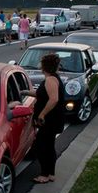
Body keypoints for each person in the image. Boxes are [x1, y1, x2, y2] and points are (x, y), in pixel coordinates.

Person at [21, 53, 65, 183]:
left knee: (41, 146)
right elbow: (42, 94)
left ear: (44, 66)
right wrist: (25, 92)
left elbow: (54, 99)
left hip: (49, 120)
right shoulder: (53, 78)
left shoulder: (50, 80)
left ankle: (44, 175)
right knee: (49, 146)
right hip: (53, 119)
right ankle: (51, 173)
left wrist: (42, 114)